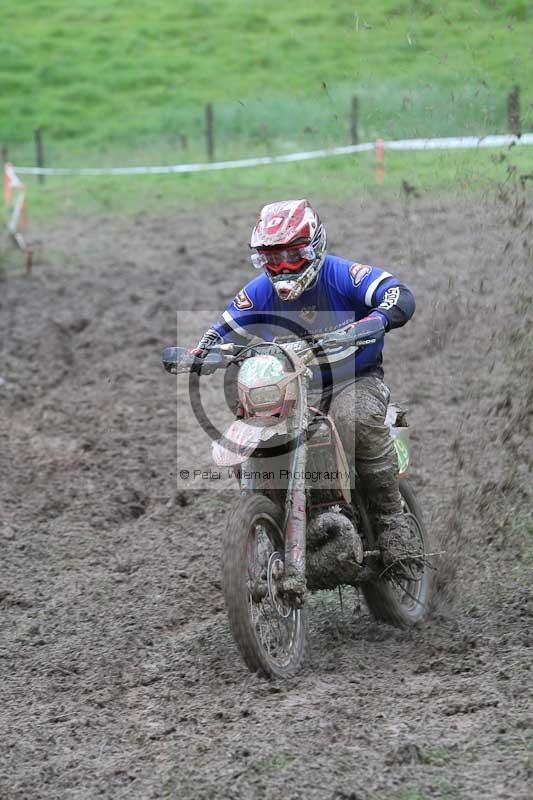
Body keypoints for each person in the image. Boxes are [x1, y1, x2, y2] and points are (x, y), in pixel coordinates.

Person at [191, 198, 421, 576]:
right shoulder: (259, 291)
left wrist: (377, 319)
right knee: (251, 429)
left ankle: (391, 518)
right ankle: (265, 519)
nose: (282, 267)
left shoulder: (342, 275)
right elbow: (221, 328)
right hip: (290, 391)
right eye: (272, 258)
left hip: (355, 382)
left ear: (314, 247)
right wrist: (201, 352)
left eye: (293, 255)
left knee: (352, 417)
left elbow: (398, 294)